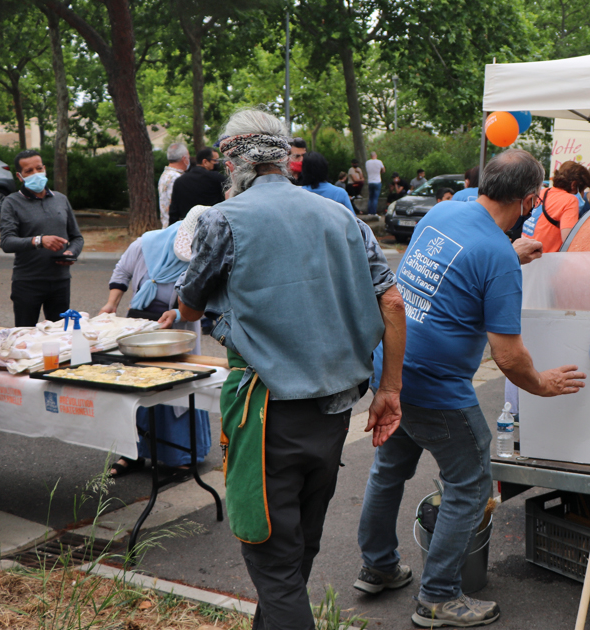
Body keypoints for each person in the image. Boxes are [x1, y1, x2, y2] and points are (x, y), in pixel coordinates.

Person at [171, 108, 405, 630]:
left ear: (233, 162)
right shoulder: (344, 217)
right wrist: (390, 389)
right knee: (298, 549)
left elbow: (188, 306)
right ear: (284, 157)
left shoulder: (222, 219)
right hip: (334, 413)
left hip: (266, 414)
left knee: (273, 560)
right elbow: (392, 303)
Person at [356, 149, 582, 628]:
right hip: (437, 391)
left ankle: (377, 566)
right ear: (529, 201)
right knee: (471, 483)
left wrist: (508, 256)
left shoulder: (444, 212)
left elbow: (459, 266)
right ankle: (438, 597)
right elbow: (509, 356)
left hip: (392, 373)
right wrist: (542, 385)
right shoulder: (496, 255)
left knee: (389, 470)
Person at [100, 206, 210, 478]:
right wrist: (111, 304)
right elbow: (122, 272)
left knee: (175, 388)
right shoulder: (146, 244)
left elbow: (207, 299)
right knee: (136, 388)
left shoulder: (205, 253)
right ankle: (132, 452)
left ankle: (182, 456)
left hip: (178, 328)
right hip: (139, 325)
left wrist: (177, 314)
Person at [0, 151, 83, 327]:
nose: (36, 174)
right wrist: (39, 241)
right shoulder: (11, 202)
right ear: (20, 176)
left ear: (44, 168)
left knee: (59, 334)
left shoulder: (60, 199)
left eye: (39, 168)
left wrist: (71, 253)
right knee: (25, 335)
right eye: (29, 171)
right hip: (28, 283)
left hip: (60, 281)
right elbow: (6, 242)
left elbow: (77, 237)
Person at [531, 161, 590, 255]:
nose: (583, 195)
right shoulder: (570, 200)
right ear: (574, 185)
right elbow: (569, 240)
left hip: (529, 255)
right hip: (547, 259)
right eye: (582, 190)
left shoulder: (544, 192)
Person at [169, 147, 226, 224]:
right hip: (212, 224)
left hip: (188, 225)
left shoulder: (179, 181)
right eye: (215, 160)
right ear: (205, 162)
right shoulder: (218, 178)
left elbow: (174, 212)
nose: (217, 163)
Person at [159, 142, 190, 228]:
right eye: (188, 157)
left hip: (167, 225)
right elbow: (175, 204)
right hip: (175, 227)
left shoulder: (165, 174)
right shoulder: (176, 178)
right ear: (184, 159)